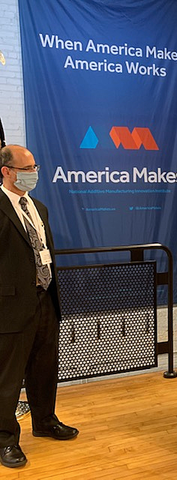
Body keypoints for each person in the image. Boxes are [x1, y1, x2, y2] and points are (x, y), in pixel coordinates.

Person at [0, 145, 78, 469]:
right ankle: (5, 440)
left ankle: (45, 420)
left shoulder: (39, 207)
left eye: (35, 167)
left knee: (44, 367)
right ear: (6, 170)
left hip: (45, 298)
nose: (33, 173)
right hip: (10, 305)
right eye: (26, 168)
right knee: (8, 377)